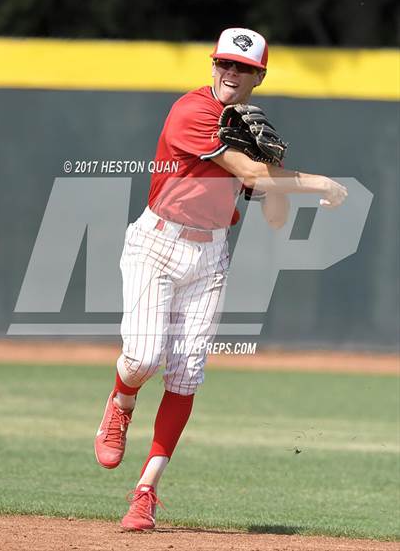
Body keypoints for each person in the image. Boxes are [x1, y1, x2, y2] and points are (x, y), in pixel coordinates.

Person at [94, 27, 348, 531]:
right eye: (224, 64)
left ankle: (145, 493)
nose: (230, 73)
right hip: (157, 244)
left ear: (259, 76)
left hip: (209, 257)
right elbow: (248, 176)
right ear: (212, 66)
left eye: (243, 68)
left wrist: (272, 162)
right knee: (144, 356)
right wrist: (317, 182)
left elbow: (273, 215)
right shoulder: (191, 111)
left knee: (186, 373)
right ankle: (122, 402)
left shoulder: (250, 130)